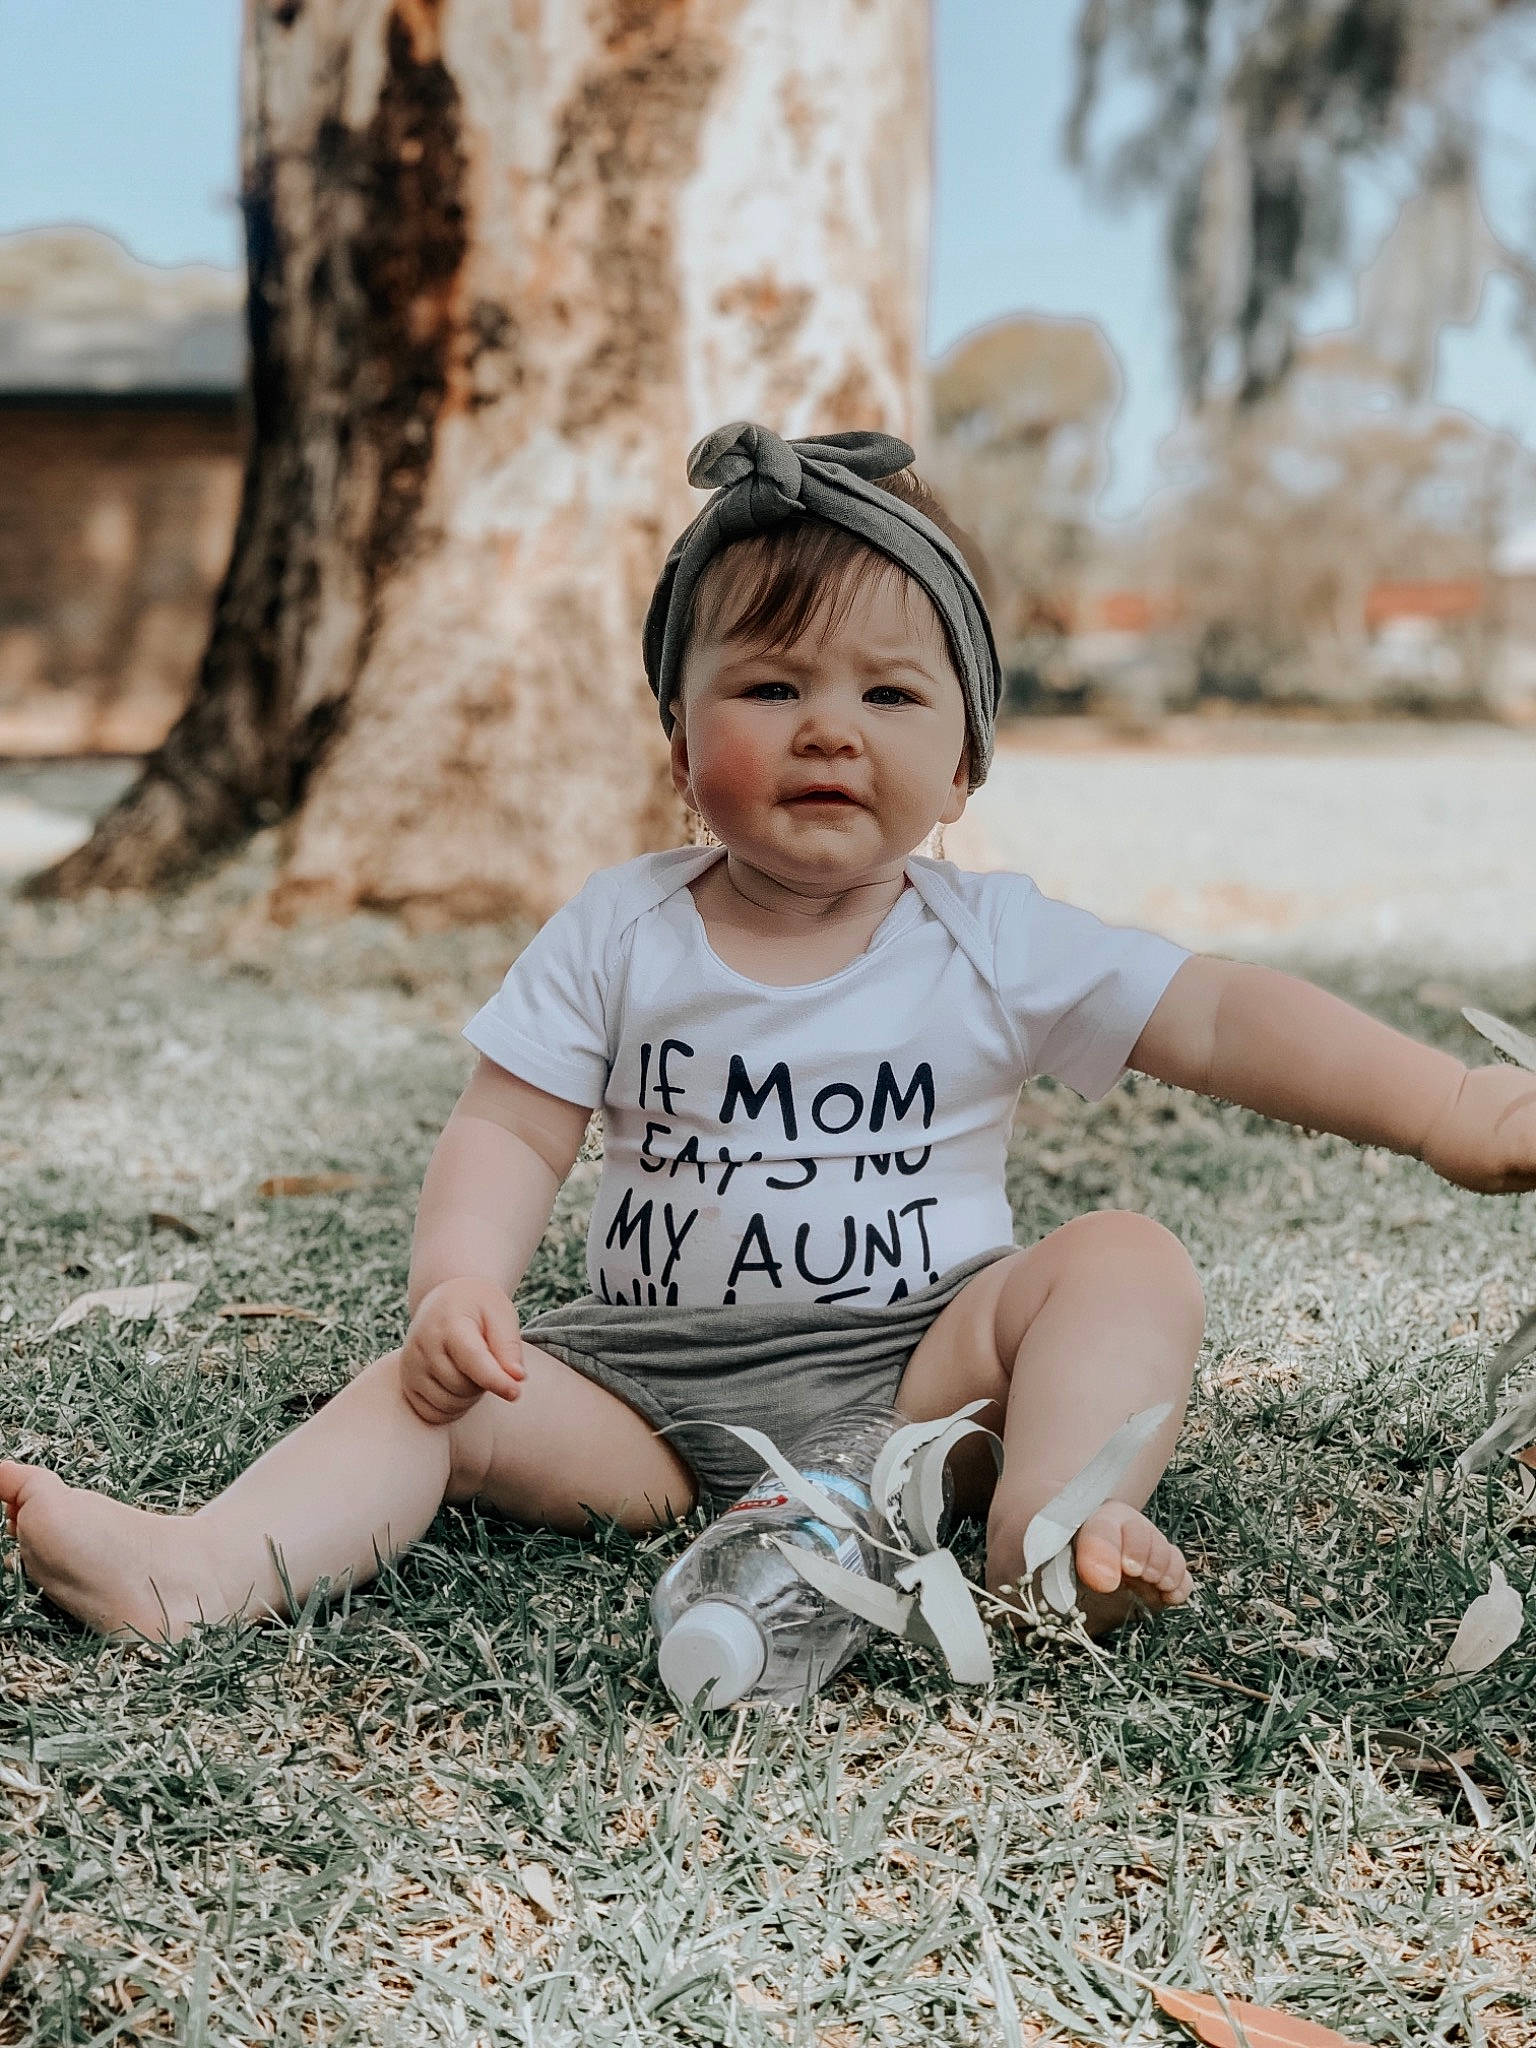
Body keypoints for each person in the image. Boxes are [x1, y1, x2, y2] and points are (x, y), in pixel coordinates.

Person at [3, 424, 1533, 1649]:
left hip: (923, 1379)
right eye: (772, 683)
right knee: (435, 1397)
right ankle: (201, 1566)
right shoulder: (621, 926)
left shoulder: (990, 936)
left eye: (888, 690)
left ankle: (1049, 1539)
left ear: (965, 760)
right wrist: (458, 1287)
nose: (828, 726)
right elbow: (510, 1126)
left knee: (1128, 1260)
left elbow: (1216, 1012)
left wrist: (1455, 1104)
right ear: (681, 744)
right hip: (647, 1398)